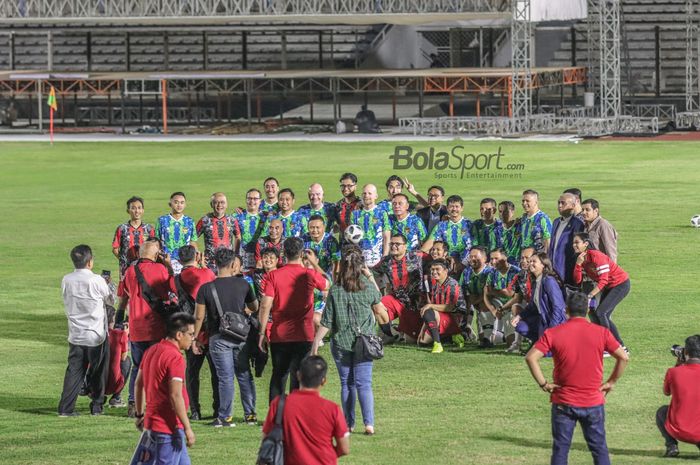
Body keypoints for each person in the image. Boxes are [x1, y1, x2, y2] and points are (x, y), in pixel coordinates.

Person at [525, 290, 629, 465]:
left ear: (566, 310)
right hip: (593, 401)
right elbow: (623, 357)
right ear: (587, 310)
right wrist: (610, 382)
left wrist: (544, 384)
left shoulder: (554, 333)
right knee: (599, 449)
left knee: (561, 449)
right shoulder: (601, 332)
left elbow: (531, 357)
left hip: (564, 401)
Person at [312, 245, 383, 435]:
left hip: (341, 342)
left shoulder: (336, 290)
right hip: (364, 342)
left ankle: (348, 424)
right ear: (361, 266)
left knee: (347, 383)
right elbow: (378, 298)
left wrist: (315, 344)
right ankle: (369, 424)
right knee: (364, 384)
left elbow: (326, 322)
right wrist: (369, 276)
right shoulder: (367, 287)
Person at [258, 237, 331, 403]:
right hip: (303, 334)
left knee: (278, 375)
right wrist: (314, 263)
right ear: (301, 253)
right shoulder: (309, 274)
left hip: (279, 334)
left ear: (284, 253)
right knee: (299, 376)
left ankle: (275, 417)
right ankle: (295, 413)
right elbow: (327, 284)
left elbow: (265, 306)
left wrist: (262, 333)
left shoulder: (273, 276)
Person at [193, 248, 258, 427]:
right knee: (244, 374)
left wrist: (195, 338)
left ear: (215, 264)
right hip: (240, 335)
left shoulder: (206, 288)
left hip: (218, 336)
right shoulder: (244, 284)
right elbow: (254, 306)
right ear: (232, 264)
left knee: (225, 377)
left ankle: (225, 416)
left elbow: (199, 317)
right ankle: (250, 414)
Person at [133, 313, 197, 465]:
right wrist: (187, 428)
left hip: (152, 422)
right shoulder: (175, 357)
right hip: (169, 426)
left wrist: (139, 414)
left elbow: (138, 384)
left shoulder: (151, 351)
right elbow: (175, 395)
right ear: (179, 335)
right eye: (191, 334)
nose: (193, 338)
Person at [262, 355, 350, 465]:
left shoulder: (279, 404)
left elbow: (267, 439)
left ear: (298, 375)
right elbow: (344, 448)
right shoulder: (333, 409)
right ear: (324, 381)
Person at [122, 238, 176, 417]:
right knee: (157, 367)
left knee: (138, 367)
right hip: (155, 326)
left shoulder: (130, 271)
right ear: (156, 254)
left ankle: (133, 403)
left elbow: (124, 295)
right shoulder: (160, 269)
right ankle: (154, 404)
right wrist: (167, 265)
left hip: (136, 328)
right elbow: (172, 288)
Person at [58, 245, 112, 416]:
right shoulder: (97, 280)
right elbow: (110, 300)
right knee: (98, 370)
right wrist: (108, 285)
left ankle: (65, 409)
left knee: (74, 371)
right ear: (90, 262)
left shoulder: (66, 279)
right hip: (96, 334)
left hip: (75, 334)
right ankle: (96, 406)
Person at [177, 245, 217, 421]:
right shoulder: (207, 273)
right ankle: (218, 409)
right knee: (216, 371)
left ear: (179, 261)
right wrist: (203, 264)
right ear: (197, 256)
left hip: (189, 332)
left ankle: (195, 410)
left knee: (192, 372)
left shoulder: (176, 279)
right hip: (209, 328)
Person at [572, 232, 630, 349]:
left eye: (577, 242)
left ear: (586, 244)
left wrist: (590, 295)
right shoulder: (582, 258)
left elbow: (603, 280)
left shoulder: (596, 256)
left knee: (601, 312)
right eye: (573, 242)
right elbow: (577, 280)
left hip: (620, 284)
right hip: (609, 287)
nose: (574, 245)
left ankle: (608, 346)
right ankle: (621, 347)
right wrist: (578, 265)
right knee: (599, 314)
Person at [373, 233, 424, 342]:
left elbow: (436, 261)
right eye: (391, 244)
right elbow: (373, 272)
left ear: (405, 246)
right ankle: (389, 333)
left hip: (414, 305)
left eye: (397, 244)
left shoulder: (418, 256)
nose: (393, 246)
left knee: (412, 341)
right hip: (395, 299)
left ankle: (400, 332)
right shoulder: (386, 261)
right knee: (378, 304)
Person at [656, 334, 700, 458]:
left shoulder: (674, 372)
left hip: (679, 431)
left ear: (686, 352)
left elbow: (666, 392)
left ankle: (671, 446)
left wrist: (679, 364)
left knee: (662, 411)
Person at [511, 252, 566, 346]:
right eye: (530, 261)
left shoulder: (549, 280)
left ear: (543, 265)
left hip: (552, 321)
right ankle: (537, 342)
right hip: (541, 320)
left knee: (547, 353)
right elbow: (532, 306)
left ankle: (546, 342)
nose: (530, 263)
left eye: (534, 261)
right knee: (520, 326)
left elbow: (558, 306)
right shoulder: (536, 281)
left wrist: (553, 328)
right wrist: (519, 316)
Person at [418, 259, 468, 354]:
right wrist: (422, 330)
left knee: (428, 310)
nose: (434, 272)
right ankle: (452, 336)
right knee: (422, 342)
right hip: (441, 317)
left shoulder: (452, 284)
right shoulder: (435, 285)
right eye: (432, 270)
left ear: (445, 271)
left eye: (437, 269)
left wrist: (430, 305)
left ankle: (438, 343)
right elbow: (432, 308)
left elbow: (450, 307)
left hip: (455, 319)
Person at [303, 215, 341, 333]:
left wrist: (333, 284)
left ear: (324, 227)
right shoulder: (304, 239)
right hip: (308, 279)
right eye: (311, 227)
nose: (314, 230)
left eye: (317, 227)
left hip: (326, 278)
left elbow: (336, 263)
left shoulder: (331, 241)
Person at [112, 195, 155, 296]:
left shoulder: (149, 229)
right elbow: (115, 248)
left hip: (144, 266)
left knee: (144, 291)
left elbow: (154, 247)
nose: (137, 211)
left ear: (143, 210)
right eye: (133, 208)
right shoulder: (122, 228)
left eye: (139, 208)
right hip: (126, 267)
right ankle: (128, 312)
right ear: (128, 210)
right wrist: (124, 260)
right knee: (126, 293)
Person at [421, 194, 473, 272]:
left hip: (466, 264)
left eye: (457, 206)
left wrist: (462, 264)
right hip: (445, 264)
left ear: (462, 208)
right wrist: (418, 255)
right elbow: (430, 242)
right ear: (447, 208)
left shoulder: (470, 224)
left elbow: (474, 247)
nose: (454, 209)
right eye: (451, 206)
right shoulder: (441, 225)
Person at [483, 248, 520, 348]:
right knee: (484, 306)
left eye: (496, 258)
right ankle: (488, 336)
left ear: (505, 258)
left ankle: (514, 333)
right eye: (491, 259)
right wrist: (493, 310)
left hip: (512, 307)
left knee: (510, 343)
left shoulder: (516, 272)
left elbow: (515, 296)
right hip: (498, 306)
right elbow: (486, 294)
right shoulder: (492, 273)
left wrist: (495, 292)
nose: (493, 261)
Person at [155, 192, 198, 274]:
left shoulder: (189, 221)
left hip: (185, 261)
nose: (179, 205)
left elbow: (193, 241)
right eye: (176, 202)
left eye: (182, 202)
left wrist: (196, 257)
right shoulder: (162, 220)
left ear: (185, 205)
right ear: (170, 204)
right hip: (166, 261)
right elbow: (157, 241)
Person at [196, 192, 239, 273]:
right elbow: (193, 238)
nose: (219, 205)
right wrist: (198, 255)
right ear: (211, 204)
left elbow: (238, 236)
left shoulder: (232, 220)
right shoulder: (204, 220)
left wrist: (236, 255)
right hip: (210, 264)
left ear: (226, 204)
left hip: (228, 263)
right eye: (216, 202)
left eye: (222, 202)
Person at [351, 184, 391, 267]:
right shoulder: (355, 214)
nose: (366, 196)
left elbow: (387, 237)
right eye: (364, 193)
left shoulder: (382, 213)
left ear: (376, 196)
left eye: (370, 193)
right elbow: (352, 238)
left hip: (378, 262)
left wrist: (385, 257)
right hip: (360, 263)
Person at [549, 193, 584, 285]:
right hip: (552, 271)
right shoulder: (556, 222)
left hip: (567, 272)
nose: (560, 206)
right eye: (559, 203)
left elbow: (578, 250)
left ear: (573, 206)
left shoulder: (578, 224)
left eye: (563, 203)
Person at [460, 247, 492, 347]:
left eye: (475, 256)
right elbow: (463, 291)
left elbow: (491, 293)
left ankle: (490, 337)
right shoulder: (466, 272)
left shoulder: (490, 272)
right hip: (476, 302)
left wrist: (476, 300)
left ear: (484, 259)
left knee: (483, 304)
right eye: (470, 256)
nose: (472, 259)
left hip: (495, 304)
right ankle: (481, 337)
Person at [105, 306, 132, 408]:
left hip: (93, 384)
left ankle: (86, 388)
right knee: (127, 361)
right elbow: (123, 358)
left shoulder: (95, 332)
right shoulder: (119, 335)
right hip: (112, 385)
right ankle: (116, 397)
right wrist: (125, 334)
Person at [236, 188, 266, 271]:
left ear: (260, 201)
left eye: (255, 199)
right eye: (249, 198)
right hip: (242, 262)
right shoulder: (237, 216)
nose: (252, 201)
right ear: (246, 200)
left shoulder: (266, 217)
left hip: (260, 261)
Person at [581, 199, 618, 263]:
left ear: (596, 211)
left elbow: (611, 251)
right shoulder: (584, 225)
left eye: (587, 210)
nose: (583, 212)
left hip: (601, 268)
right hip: (590, 269)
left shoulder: (604, 225)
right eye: (582, 210)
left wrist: (611, 270)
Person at [520, 189, 552, 254]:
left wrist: (545, 259)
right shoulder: (523, 218)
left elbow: (548, 241)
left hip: (537, 260)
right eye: (523, 201)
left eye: (527, 201)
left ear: (536, 202)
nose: (524, 203)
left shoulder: (543, 218)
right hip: (525, 259)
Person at [335, 173, 361, 238]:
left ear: (355, 186)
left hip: (360, 245)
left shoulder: (362, 205)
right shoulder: (338, 206)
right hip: (343, 245)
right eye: (343, 186)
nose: (346, 189)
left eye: (349, 186)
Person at [499, 200, 521, 266]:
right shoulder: (497, 229)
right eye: (500, 211)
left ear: (512, 212)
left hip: (518, 265)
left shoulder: (520, 225)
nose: (502, 214)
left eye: (505, 212)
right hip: (503, 265)